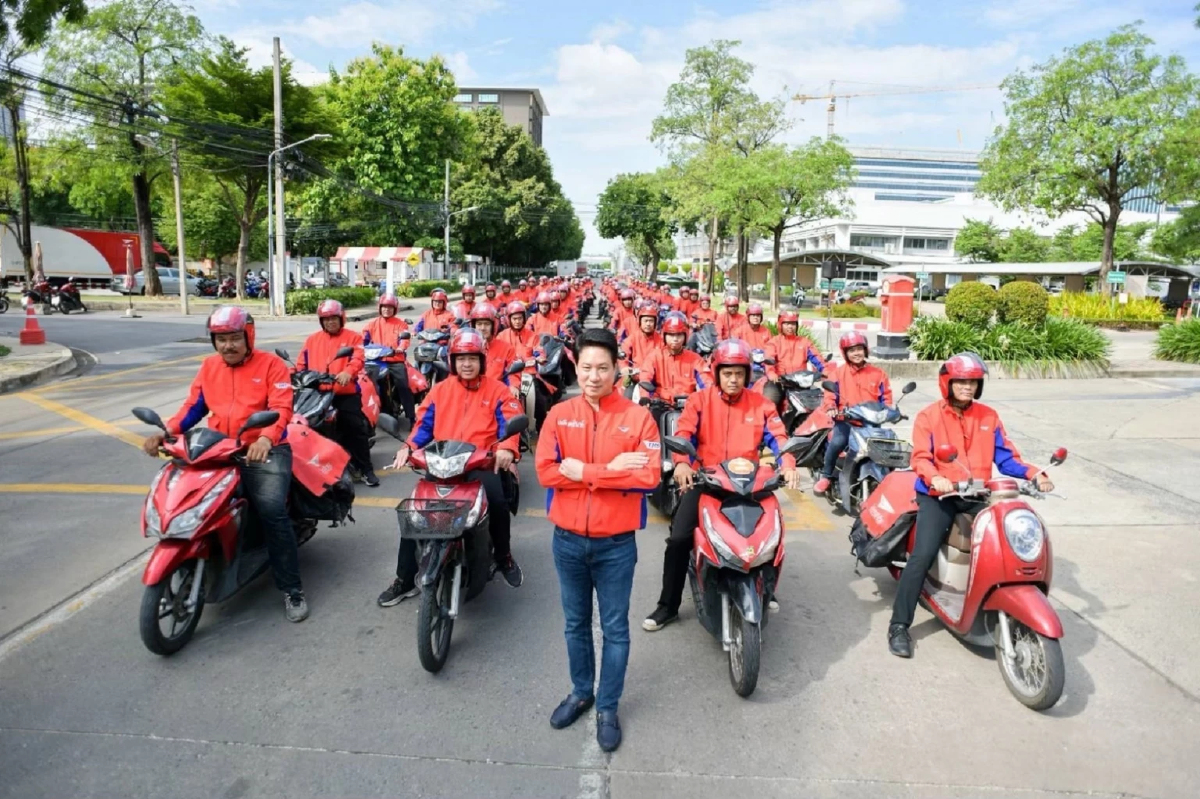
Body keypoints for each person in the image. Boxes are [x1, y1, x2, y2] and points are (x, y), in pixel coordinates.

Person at [535, 328, 660, 753]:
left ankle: (608, 705)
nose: (593, 376)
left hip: (616, 545)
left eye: (602, 368)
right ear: (577, 367)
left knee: (615, 629)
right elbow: (547, 472)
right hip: (567, 540)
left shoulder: (638, 418)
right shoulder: (558, 414)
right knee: (574, 625)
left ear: (616, 370)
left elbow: (647, 476)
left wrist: (585, 472)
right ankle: (581, 692)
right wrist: (611, 471)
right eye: (586, 367)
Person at [143, 307, 309, 622]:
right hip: (218, 448)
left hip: (264, 450)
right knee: (197, 501)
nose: (227, 346)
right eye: (221, 339)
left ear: (248, 336)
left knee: (273, 513)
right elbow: (193, 407)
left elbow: (281, 408)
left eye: (234, 338)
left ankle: (292, 589)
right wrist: (167, 432)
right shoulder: (209, 367)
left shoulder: (272, 365)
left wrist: (265, 439)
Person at [889, 353, 1053, 658]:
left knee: (1006, 540)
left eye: (973, 381)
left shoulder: (988, 417)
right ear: (947, 382)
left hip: (977, 494)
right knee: (922, 556)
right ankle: (899, 625)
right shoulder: (929, 417)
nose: (967, 386)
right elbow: (921, 458)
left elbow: (1006, 458)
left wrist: (1034, 473)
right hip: (939, 496)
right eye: (961, 381)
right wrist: (936, 477)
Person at [643, 339, 800, 631]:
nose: (733, 379)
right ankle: (668, 605)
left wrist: (788, 463)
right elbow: (684, 432)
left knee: (772, 533)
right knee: (678, 539)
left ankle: (766, 587)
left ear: (747, 375)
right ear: (716, 373)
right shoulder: (699, 401)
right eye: (727, 373)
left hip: (751, 484)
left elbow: (779, 436)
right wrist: (680, 462)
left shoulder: (762, 404)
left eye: (739, 374)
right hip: (708, 482)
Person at [379, 328, 525, 606]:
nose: (466, 364)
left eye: (472, 358)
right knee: (416, 515)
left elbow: (510, 420)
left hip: (482, 462)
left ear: (482, 360)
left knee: (497, 503)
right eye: (461, 358)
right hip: (444, 462)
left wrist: (507, 447)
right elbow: (423, 425)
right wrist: (408, 447)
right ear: (453, 361)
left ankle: (503, 556)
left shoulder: (498, 390)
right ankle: (405, 578)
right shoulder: (440, 390)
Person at [298, 300, 378, 486]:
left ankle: (366, 469)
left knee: (355, 428)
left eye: (333, 319)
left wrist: (347, 372)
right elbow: (302, 363)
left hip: (344, 392)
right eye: (325, 319)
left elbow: (358, 358)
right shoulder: (312, 340)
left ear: (341, 319)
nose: (330, 323)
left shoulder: (353, 338)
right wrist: (294, 376)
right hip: (316, 394)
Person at [813, 331, 892, 496]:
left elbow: (887, 398)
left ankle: (889, 481)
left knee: (890, 449)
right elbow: (830, 396)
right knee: (837, 442)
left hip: (871, 424)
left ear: (865, 350)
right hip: (847, 422)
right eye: (852, 350)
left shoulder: (878, 374)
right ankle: (826, 476)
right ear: (845, 353)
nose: (856, 353)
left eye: (859, 349)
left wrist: (891, 411)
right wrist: (831, 407)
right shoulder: (838, 374)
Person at [639, 312, 709, 419]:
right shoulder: (654, 356)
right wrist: (645, 397)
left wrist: (708, 398)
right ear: (664, 336)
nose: (675, 339)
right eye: (671, 335)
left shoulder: (695, 359)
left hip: (689, 407)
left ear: (685, 336)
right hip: (660, 406)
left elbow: (706, 381)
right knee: (647, 428)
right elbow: (645, 377)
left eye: (679, 335)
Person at [362, 294, 416, 426]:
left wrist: (401, 347)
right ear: (380, 308)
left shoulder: (401, 324)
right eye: (384, 307)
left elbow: (404, 340)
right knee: (364, 386)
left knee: (403, 385)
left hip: (395, 360)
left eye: (390, 307)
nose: (387, 309)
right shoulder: (371, 325)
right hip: (376, 361)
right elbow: (362, 340)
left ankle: (412, 417)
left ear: (395, 309)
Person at [762, 310, 825, 410]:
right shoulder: (773, 342)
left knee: (819, 404)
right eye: (787, 324)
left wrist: (826, 371)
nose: (790, 327)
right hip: (779, 382)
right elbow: (769, 359)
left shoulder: (804, 342)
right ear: (780, 325)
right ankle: (768, 425)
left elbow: (817, 359)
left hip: (801, 383)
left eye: (793, 324)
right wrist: (771, 374)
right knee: (768, 404)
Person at [468, 303, 520, 392]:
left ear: (493, 325)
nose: (482, 328)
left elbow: (512, 373)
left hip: (496, 395)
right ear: (473, 325)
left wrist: (514, 386)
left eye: (486, 324)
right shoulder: (466, 347)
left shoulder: (507, 348)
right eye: (479, 324)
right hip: (471, 393)